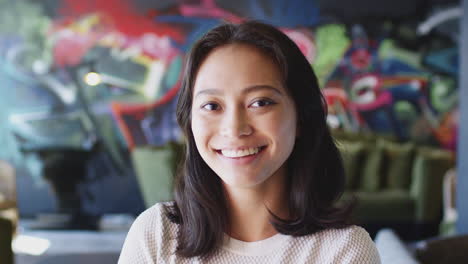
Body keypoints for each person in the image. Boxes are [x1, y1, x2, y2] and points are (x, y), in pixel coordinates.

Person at [118, 21, 381, 263]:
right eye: (212, 105)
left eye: (260, 103)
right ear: (190, 122)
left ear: (301, 115)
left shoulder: (345, 250)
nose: (234, 128)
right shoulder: (156, 233)